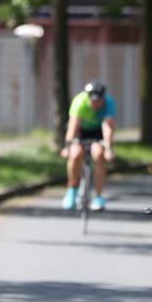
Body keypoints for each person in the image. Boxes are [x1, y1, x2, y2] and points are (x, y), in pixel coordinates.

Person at [61, 81, 116, 211]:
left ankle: (98, 196)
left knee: (98, 155)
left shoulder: (109, 103)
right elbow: (73, 127)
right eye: (92, 101)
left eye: (98, 102)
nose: (95, 104)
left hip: (98, 132)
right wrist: (67, 147)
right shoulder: (79, 101)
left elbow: (107, 127)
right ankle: (72, 189)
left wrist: (108, 149)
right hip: (81, 131)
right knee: (75, 155)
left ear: (103, 98)